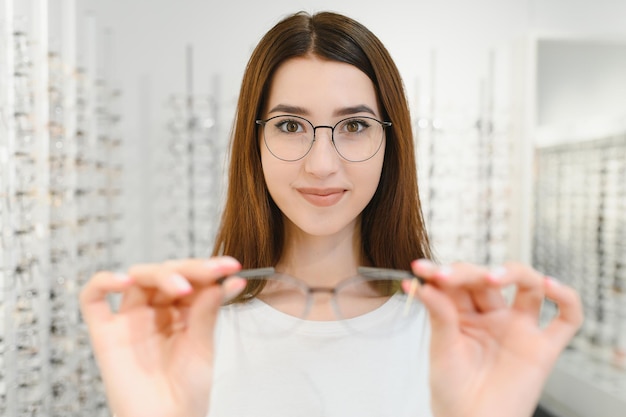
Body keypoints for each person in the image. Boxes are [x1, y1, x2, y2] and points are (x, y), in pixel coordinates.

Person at [79, 10, 583, 417]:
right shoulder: (187, 336)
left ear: (392, 142)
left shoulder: (453, 334)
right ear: (253, 143)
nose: (322, 164)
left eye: (356, 126)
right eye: (291, 126)